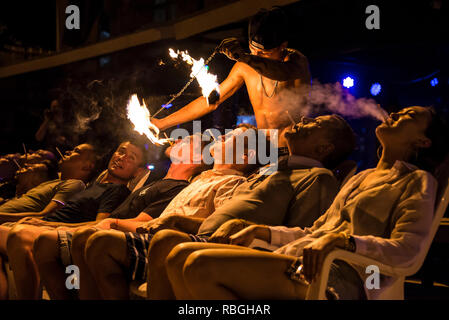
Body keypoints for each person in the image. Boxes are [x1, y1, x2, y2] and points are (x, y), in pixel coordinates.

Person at [160, 106, 449, 300]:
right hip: (296, 262)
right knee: (176, 257)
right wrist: (261, 230)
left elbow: (410, 252)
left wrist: (345, 243)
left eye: (410, 115)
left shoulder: (419, 181)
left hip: (336, 279)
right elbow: (315, 231)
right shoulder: (361, 178)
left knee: (199, 265)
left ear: (423, 141)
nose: (397, 112)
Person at [136, 114, 356, 299]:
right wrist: (179, 220)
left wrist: (247, 229)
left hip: (245, 248)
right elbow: (219, 222)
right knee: (161, 237)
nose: (305, 118)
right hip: (211, 237)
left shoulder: (317, 177)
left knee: (167, 241)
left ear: (323, 148)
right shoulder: (270, 170)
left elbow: (297, 239)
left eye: (315, 123)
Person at [72, 125, 266, 299]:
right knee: (85, 237)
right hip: (154, 239)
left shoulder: (233, 183)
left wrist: (174, 220)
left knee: (99, 241)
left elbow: (217, 227)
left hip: (174, 246)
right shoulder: (198, 180)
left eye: (231, 137)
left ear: (244, 156)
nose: (222, 136)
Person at [33, 135, 212, 300]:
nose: (178, 139)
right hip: (107, 230)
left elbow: (144, 222)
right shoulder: (156, 182)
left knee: (54, 240)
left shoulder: (176, 187)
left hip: (119, 235)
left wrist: (112, 222)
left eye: (188, 141)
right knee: (46, 240)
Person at [0, 138, 146, 299]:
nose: (121, 158)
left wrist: (44, 223)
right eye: (121, 151)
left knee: (17, 234)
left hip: (58, 234)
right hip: (45, 227)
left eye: (131, 158)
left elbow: (100, 223)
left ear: (138, 172)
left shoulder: (117, 191)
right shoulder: (92, 185)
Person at [152, 7, 311, 151]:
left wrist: (245, 57)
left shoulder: (296, 61)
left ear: (282, 46)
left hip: (294, 147)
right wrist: (162, 123)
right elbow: (211, 101)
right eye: (252, 49)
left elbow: (280, 73)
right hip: (265, 149)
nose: (256, 55)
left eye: (263, 53)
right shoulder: (245, 67)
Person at [0, 144, 97, 221]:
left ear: (88, 166)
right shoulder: (53, 182)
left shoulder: (75, 184)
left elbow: (46, 216)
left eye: (76, 151)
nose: (68, 151)